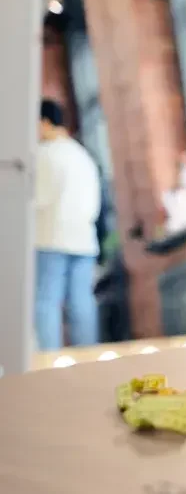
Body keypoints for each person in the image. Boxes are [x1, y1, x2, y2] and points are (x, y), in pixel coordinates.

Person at [34, 99, 102, 350]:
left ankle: (47, 357)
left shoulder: (44, 154)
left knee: (46, 301)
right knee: (82, 301)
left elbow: (37, 198)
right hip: (84, 238)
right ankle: (89, 354)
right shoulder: (82, 155)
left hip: (51, 237)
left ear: (44, 122)